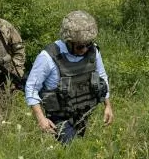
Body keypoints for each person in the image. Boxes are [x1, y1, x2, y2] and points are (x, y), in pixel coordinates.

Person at [25, 10, 113, 144]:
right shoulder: (48, 57)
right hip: (59, 118)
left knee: (84, 145)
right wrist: (41, 119)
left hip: (84, 112)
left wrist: (107, 105)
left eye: (88, 44)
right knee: (73, 150)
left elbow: (102, 76)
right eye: (80, 46)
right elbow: (31, 87)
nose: (85, 49)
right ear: (68, 41)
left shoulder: (93, 50)